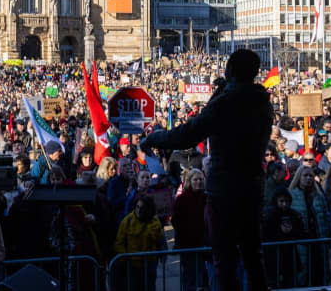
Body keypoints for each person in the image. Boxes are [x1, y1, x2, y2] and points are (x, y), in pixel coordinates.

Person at [141, 49, 272, 291]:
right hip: (253, 185)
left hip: (224, 189)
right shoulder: (262, 101)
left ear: (230, 70)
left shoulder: (226, 103)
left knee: (224, 258)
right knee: (253, 255)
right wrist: (221, 92)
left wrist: (155, 138)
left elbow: (190, 133)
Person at [289, 165, 331, 285]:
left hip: (318, 241)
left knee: (318, 275)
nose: (308, 178)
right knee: (302, 275)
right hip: (300, 243)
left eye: (311, 176)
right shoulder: (291, 195)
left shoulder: (319, 196)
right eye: (305, 175)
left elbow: (325, 217)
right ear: (299, 177)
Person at [113, 196, 167, 291]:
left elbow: (161, 240)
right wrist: (125, 258)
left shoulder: (155, 221)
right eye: (137, 207)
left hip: (150, 263)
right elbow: (119, 242)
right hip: (133, 265)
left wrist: (163, 254)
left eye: (142, 208)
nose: (138, 210)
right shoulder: (127, 221)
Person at [172, 169, 209, 291]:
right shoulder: (182, 199)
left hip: (206, 244)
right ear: (189, 181)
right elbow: (176, 221)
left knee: (205, 279)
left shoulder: (207, 197)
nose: (198, 182)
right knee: (191, 279)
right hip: (189, 246)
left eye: (201, 179)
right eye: (195, 179)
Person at [262, 187, 305, 289]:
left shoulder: (294, 215)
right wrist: (280, 232)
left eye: (287, 201)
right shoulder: (270, 215)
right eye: (281, 201)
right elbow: (266, 233)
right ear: (276, 201)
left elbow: (300, 233)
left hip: (289, 258)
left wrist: (292, 231)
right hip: (273, 258)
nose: (285, 204)